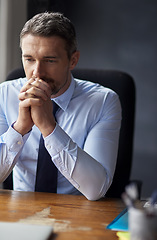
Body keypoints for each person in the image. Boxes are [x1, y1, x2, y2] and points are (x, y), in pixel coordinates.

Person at [0, 12, 121, 200]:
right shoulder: (4, 94)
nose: (36, 73)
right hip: (21, 210)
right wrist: (20, 128)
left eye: (49, 60)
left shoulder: (103, 102)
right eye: (29, 59)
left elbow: (95, 189)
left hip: (77, 212)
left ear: (73, 60)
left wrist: (49, 127)